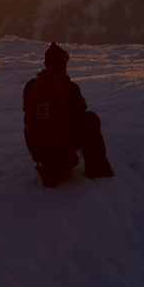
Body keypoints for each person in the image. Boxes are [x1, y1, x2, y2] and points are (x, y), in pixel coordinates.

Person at [22, 42, 114, 188]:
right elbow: (80, 111)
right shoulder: (68, 87)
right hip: (61, 145)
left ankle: (56, 161)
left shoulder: (31, 87)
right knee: (91, 119)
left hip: (37, 149)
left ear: (46, 63)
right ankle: (97, 170)